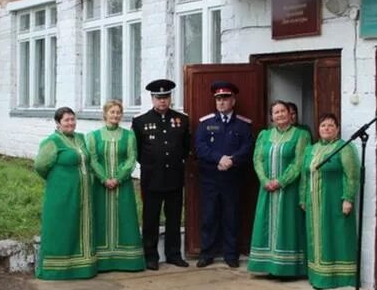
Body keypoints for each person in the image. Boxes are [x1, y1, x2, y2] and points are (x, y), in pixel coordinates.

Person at [131, 79, 190, 271]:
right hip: (152, 178)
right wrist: (150, 165)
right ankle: (151, 256)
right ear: (152, 98)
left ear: (170, 98)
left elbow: (186, 148)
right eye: (158, 98)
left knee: (174, 217)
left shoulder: (182, 120)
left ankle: (174, 255)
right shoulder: (140, 121)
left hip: (174, 177)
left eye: (166, 97)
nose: (162, 101)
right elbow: (137, 151)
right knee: (151, 219)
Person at [247, 101, 310, 277]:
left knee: (287, 224)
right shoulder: (264, 135)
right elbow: (257, 159)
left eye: (283, 111)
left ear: (290, 114)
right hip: (267, 189)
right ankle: (266, 265)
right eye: (276, 112)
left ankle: (287, 268)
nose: (280, 115)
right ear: (272, 116)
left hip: (288, 190)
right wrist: (264, 180)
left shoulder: (301, 135)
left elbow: (299, 162)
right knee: (265, 224)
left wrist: (281, 182)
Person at [194, 81, 253, 268]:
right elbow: (200, 147)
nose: (221, 102)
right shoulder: (206, 123)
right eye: (218, 99)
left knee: (231, 216)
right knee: (209, 216)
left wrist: (232, 161)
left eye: (225, 98)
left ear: (233, 101)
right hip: (211, 178)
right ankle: (207, 253)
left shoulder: (243, 125)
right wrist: (219, 158)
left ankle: (231, 253)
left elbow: (248, 147)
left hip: (232, 178)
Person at [35, 107, 99, 280]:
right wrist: (59, 180)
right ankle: (57, 269)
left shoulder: (80, 138)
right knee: (62, 227)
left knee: (79, 226)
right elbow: (40, 166)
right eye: (66, 120)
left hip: (83, 194)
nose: (71, 123)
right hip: (61, 193)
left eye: (73, 119)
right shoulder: (52, 141)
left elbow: (88, 160)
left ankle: (83, 267)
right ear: (58, 123)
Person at [300, 113, 359, 289]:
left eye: (331, 125)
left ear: (337, 129)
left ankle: (339, 279)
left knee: (336, 236)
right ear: (318, 129)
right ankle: (318, 277)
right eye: (323, 125)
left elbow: (352, 175)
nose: (326, 128)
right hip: (313, 203)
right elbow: (305, 175)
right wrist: (303, 198)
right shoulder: (311, 149)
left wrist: (348, 198)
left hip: (334, 201)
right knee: (316, 237)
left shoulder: (344, 148)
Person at [84, 100, 145, 272]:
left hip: (122, 185)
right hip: (100, 186)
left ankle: (127, 261)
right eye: (112, 112)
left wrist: (118, 178)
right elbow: (93, 159)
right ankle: (101, 260)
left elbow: (131, 158)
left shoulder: (129, 135)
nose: (115, 115)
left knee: (124, 217)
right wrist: (104, 178)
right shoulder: (93, 136)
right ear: (105, 114)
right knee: (100, 217)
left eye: (118, 112)